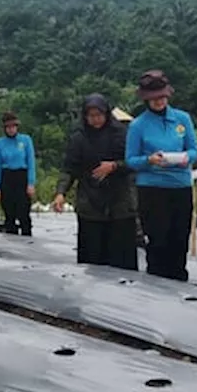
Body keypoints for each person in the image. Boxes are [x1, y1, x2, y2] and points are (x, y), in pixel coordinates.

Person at [126, 70, 197, 281]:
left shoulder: (182, 119)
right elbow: (131, 159)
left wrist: (185, 157)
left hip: (180, 186)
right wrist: (149, 160)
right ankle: (156, 283)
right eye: (153, 98)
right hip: (152, 188)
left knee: (179, 238)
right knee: (158, 240)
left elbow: (194, 150)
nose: (159, 101)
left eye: (162, 97)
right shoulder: (138, 125)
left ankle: (179, 280)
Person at [52, 94, 138, 269]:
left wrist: (114, 166)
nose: (95, 120)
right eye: (91, 116)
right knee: (91, 259)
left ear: (106, 114)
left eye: (99, 115)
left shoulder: (121, 134)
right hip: (90, 203)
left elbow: (134, 162)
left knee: (121, 259)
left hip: (120, 203)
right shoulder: (79, 137)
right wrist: (61, 193)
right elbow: (69, 168)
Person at [0, 111, 36, 236]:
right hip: (7, 177)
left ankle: (27, 238)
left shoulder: (25, 140)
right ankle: (11, 241)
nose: (11, 130)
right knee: (9, 213)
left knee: (23, 212)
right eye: (8, 127)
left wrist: (31, 183)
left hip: (21, 176)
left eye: (13, 127)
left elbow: (31, 162)